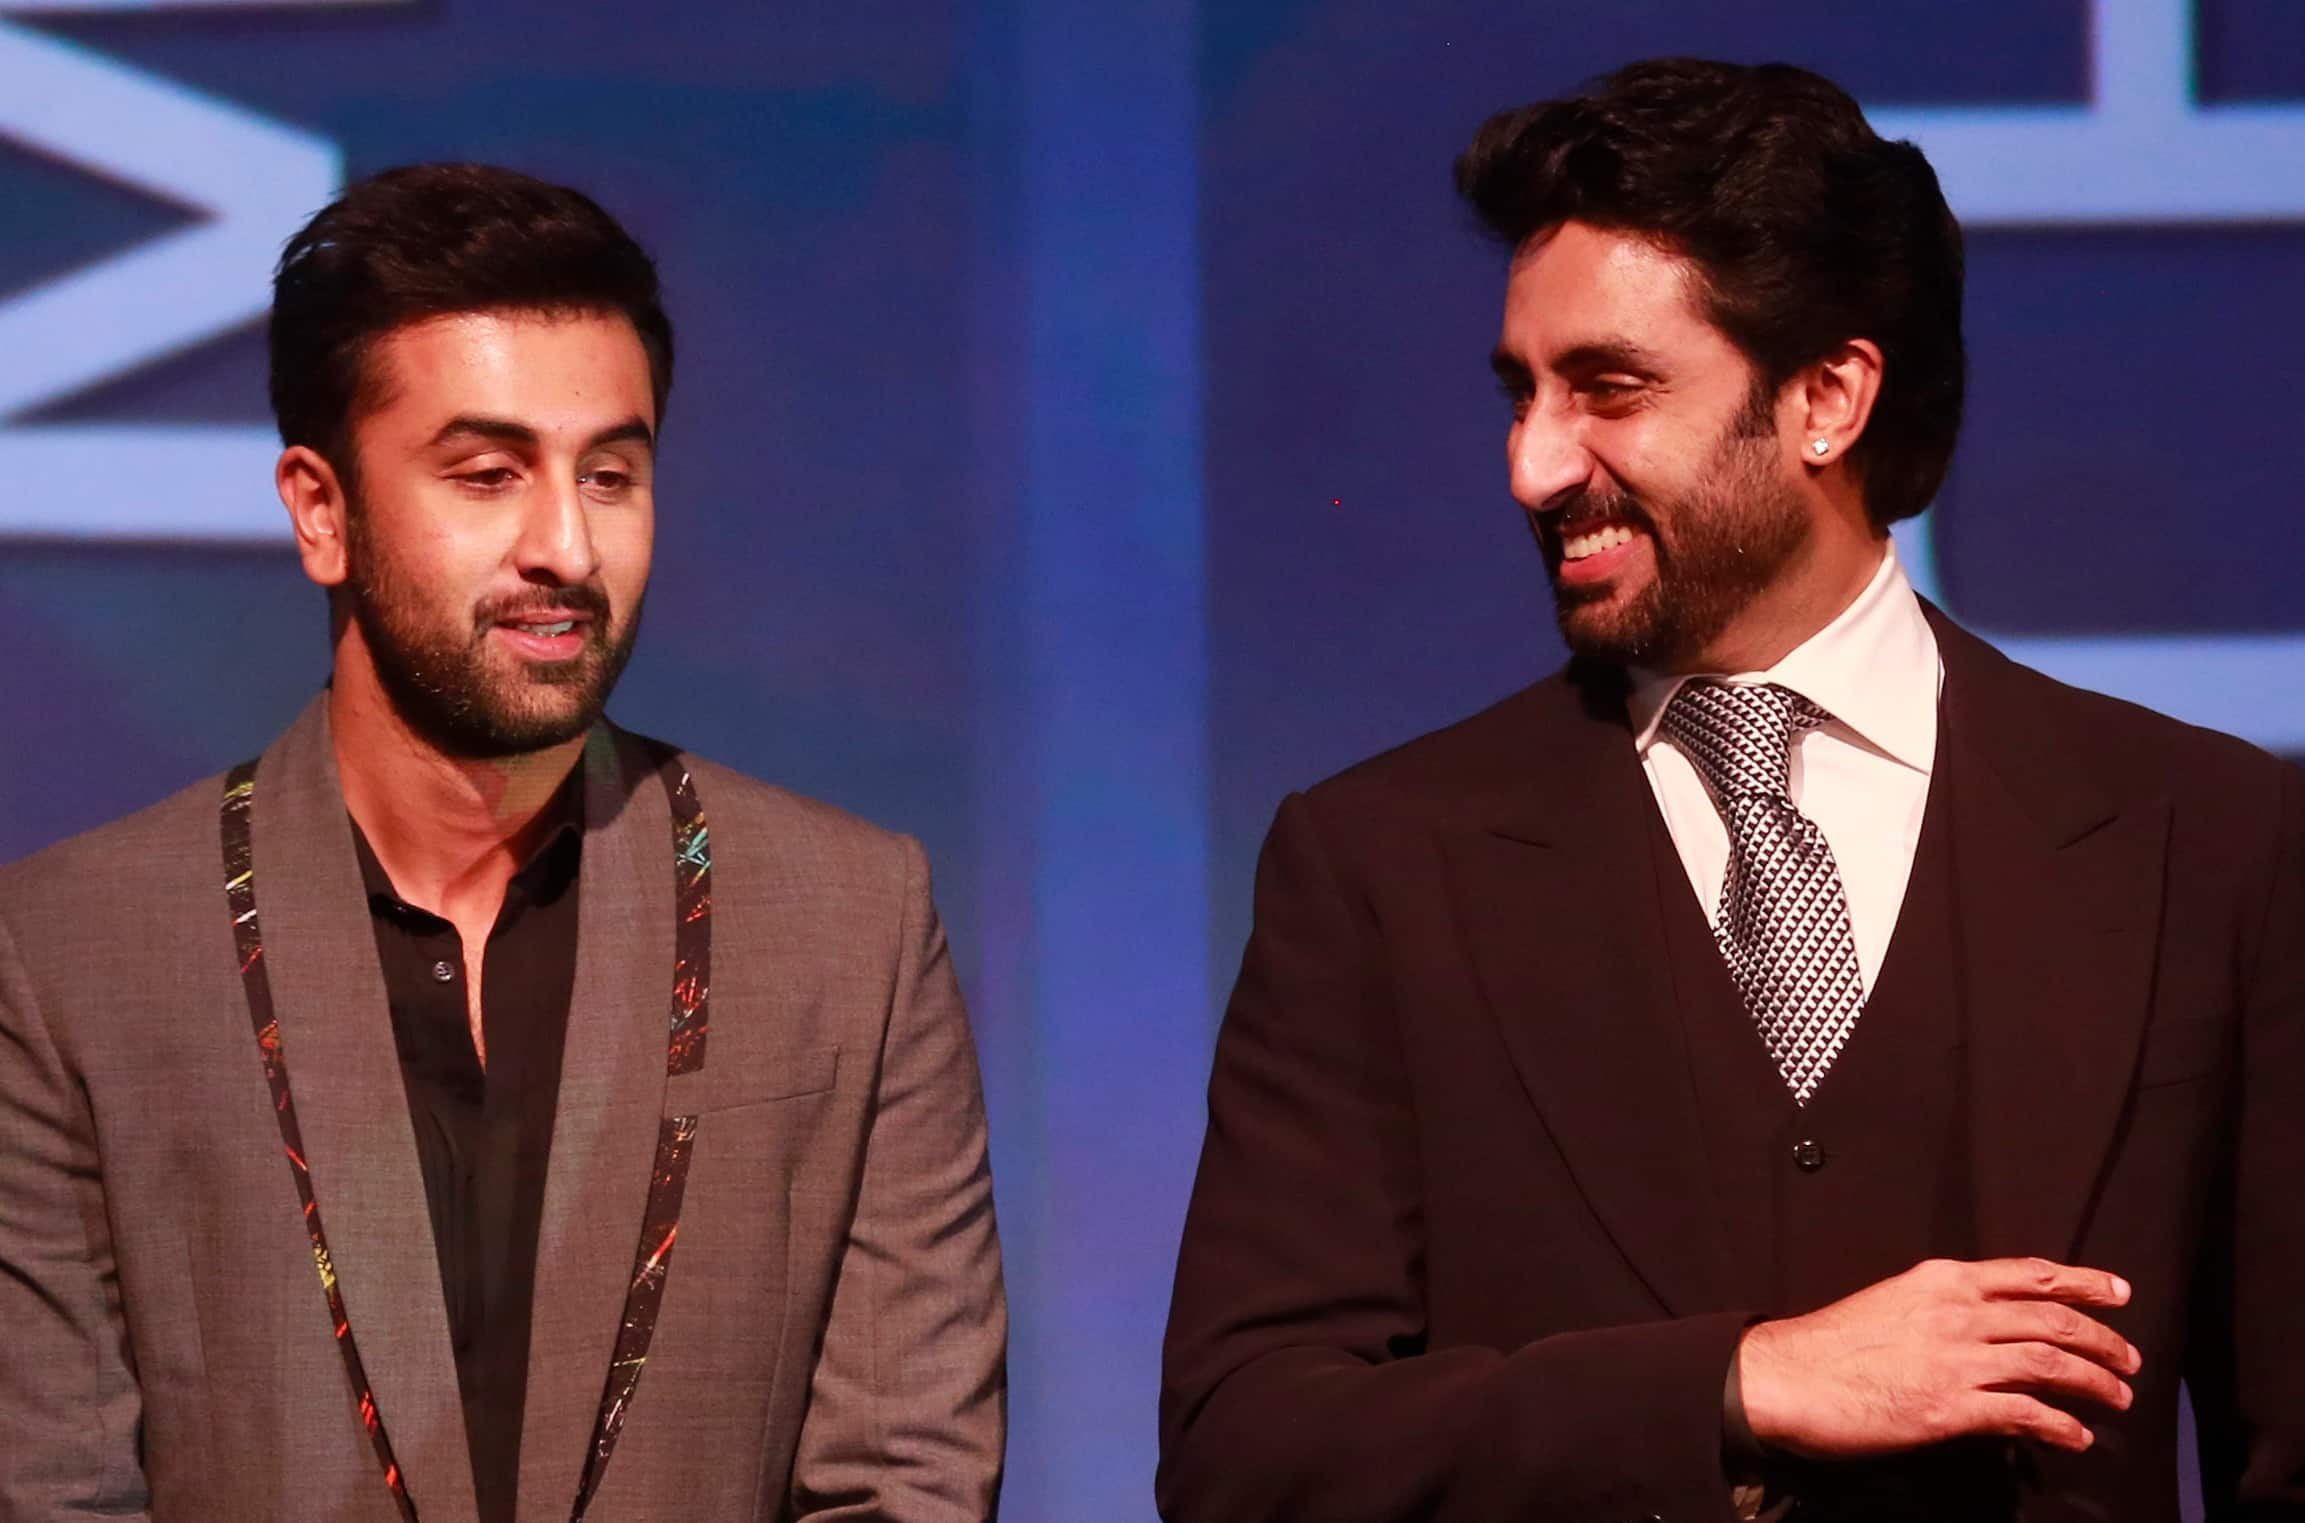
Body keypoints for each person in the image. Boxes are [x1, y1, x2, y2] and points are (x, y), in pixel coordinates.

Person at [1159, 58, 2305, 1523]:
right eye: (1522, 393)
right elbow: (1243, 1451)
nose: (1532, 463)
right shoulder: (1381, 862)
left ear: (1827, 395)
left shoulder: (2200, 833)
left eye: (1609, 389)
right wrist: (1736, 1385)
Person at [0, 164, 1005, 1523]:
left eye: (611, 472)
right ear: (321, 509)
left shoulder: (847, 919)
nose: (564, 545)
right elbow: (50, 1490)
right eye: (487, 474)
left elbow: (909, 1480)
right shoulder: (73, 954)